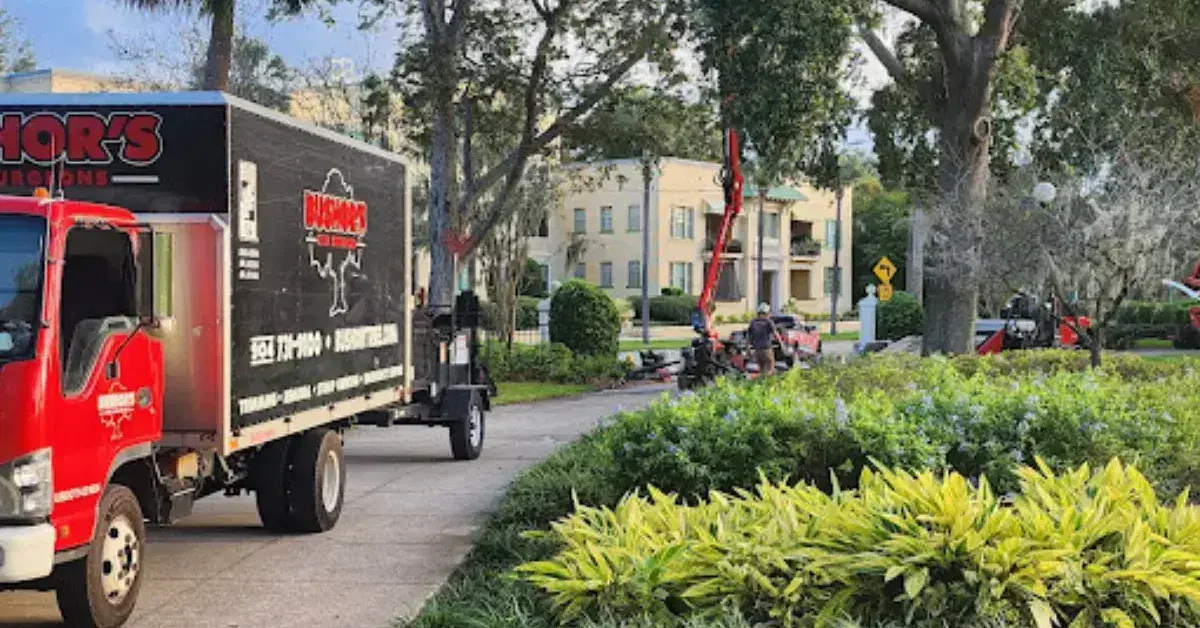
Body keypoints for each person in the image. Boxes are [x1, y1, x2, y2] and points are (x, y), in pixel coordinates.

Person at [746, 303, 784, 377]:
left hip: (757, 351)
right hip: (767, 350)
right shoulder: (768, 322)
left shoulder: (753, 322)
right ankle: (767, 385)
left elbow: (748, 337)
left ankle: (761, 384)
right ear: (766, 313)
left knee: (762, 370)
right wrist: (782, 344)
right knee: (770, 370)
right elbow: (776, 334)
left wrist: (747, 348)